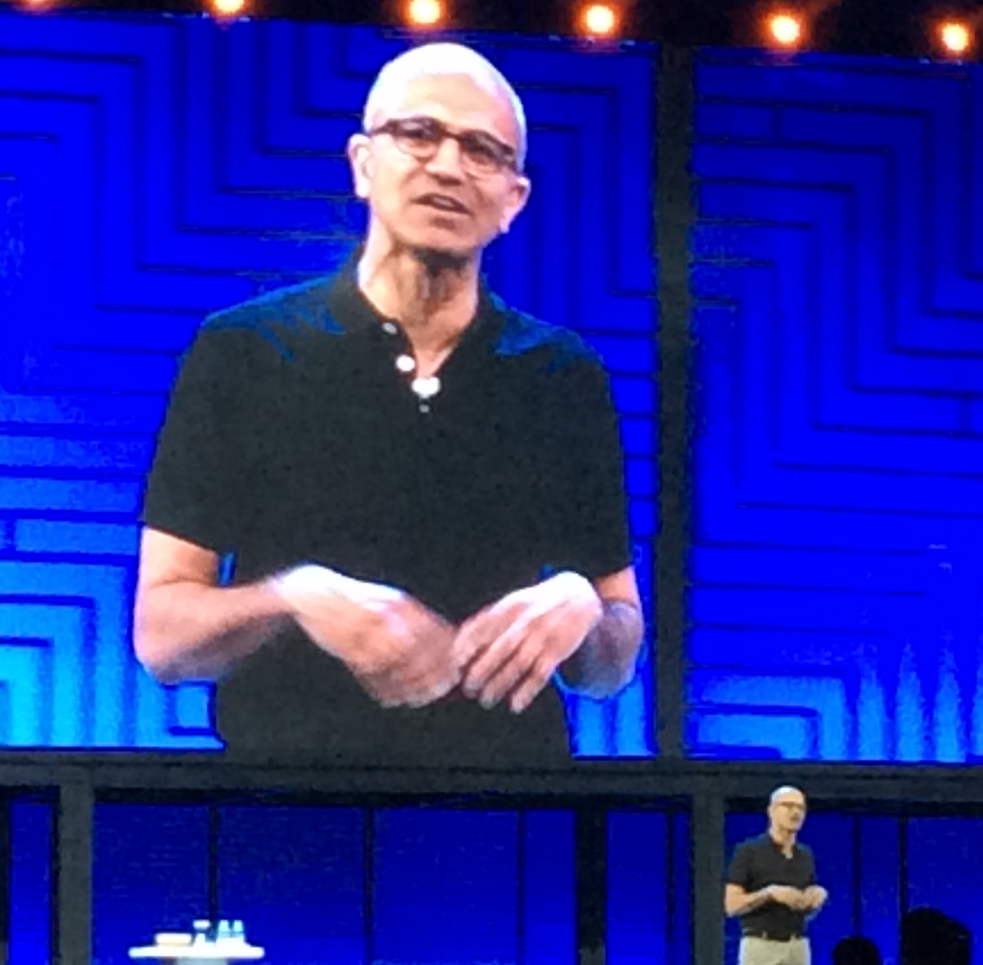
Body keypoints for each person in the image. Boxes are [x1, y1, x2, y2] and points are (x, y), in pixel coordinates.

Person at [135, 41, 644, 765]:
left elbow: (612, 664)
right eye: (418, 133)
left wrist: (585, 608)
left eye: (481, 150)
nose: (447, 166)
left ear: (514, 200)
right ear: (363, 163)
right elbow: (162, 638)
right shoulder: (243, 351)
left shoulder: (563, 374)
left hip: (511, 804)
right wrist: (296, 598)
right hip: (282, 797)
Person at [722, 786, 826, 965]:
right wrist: (769, 894)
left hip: (797, 946)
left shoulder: (804, 856)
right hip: (761, 945)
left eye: (801, 808)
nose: (795, 812)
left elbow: (803, 909)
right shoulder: (749, 851)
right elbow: (732, 905)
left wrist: (814, 898)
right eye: (788, 806)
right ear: (771, 811)